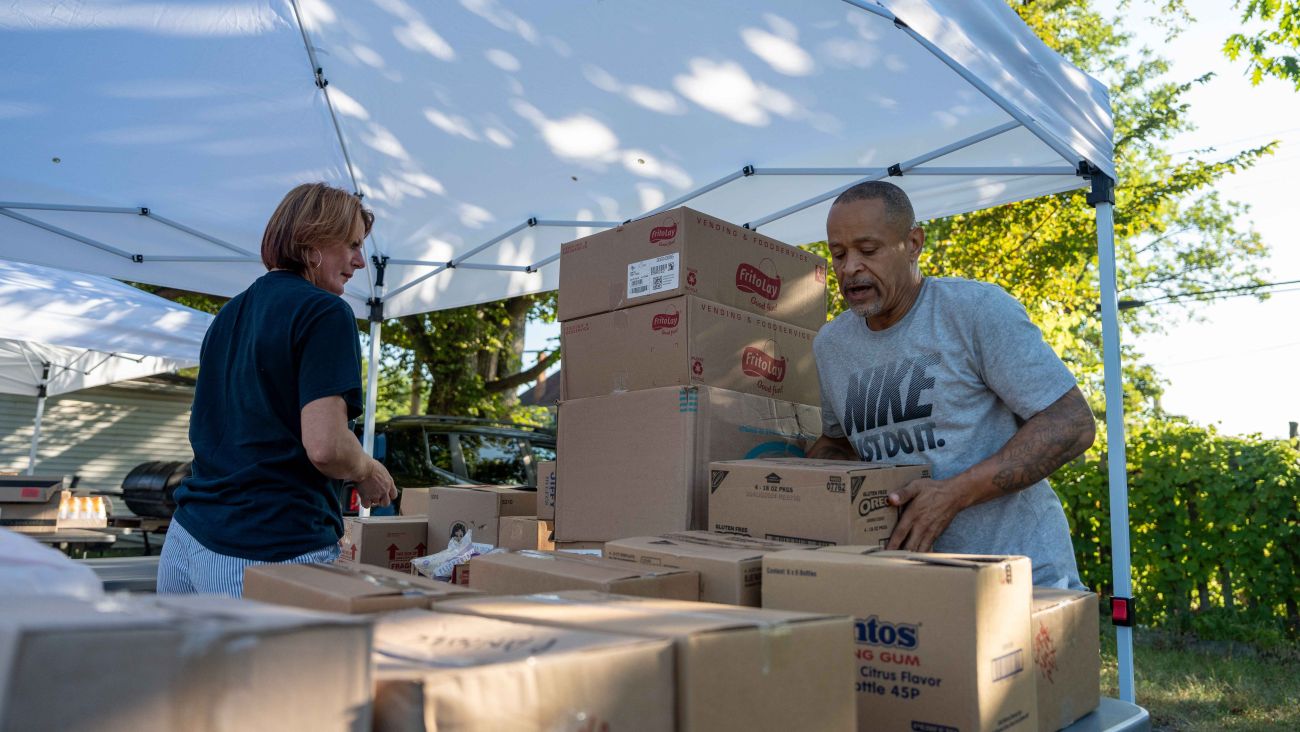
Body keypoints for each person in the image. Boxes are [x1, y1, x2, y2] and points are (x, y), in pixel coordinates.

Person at [808, 181, 1095, 588]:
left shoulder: (976, 311)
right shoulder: (830, 346)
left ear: (913, 243)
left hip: (1023, 581)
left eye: (867, 251)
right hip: (909, 585)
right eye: (838, 254)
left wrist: (952, 495)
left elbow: (1071, 424)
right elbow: (837, 443)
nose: (849, 267)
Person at [158, 182, 397, 597]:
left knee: (186, 664)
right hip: (267, 550)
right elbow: (325, 446)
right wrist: (368, 470)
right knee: (280, 666)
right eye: (352, 244)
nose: (360, 261)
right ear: (313, 241)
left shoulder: (230, 312)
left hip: (187, 538)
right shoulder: (326, 312)